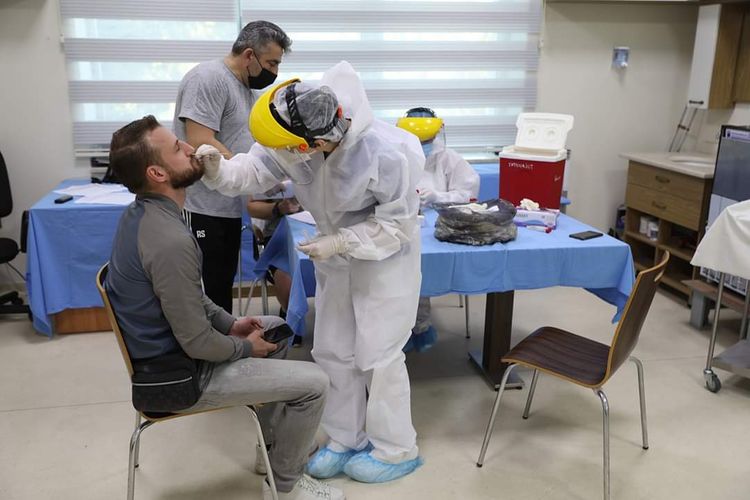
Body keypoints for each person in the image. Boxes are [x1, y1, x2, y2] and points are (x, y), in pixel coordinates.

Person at [197, 62, 426, 483]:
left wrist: (340, 241)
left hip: (385, 262)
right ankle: (345, 438)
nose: (283, 156)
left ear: (315, 143)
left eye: (291, 151)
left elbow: (398, 226)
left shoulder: (390, 152)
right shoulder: (295, 127)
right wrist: (220, 171)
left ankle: (396, 449)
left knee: (378, 355)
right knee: (334, 350)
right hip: (335, 262)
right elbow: (257, 167)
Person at [104, 116, 344, 500]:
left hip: (173, 356)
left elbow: (188, 298)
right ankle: (286, 486)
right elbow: (198, 342)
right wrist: (245, 347)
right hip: (179, 378)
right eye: (177, 148)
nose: (190, 148)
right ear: (157, 173)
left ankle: (272, 450)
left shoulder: (144, 215)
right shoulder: (168, 240)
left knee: (272, 327)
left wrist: (231, 324)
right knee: (315, 384)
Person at [173, 20, 291, 314]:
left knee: (222, 286)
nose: (275, 72)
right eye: (272, 63)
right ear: (249, 55)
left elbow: (248, 146)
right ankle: (209, 344)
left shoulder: (247, 91)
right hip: (200, 206)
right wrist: (248, 173)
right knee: (208, 290)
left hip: (226, 204)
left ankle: (224, 341)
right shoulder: (208, 79)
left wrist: (270, 173)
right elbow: (201, 142)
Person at [396, 107, 480, 353]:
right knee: (402, 270)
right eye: (418, 140)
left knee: (423, 269)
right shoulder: (394, 154)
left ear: (436, 134)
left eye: (426, 141)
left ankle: (420, 327)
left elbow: (468, 193)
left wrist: (438, 197)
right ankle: (401, 329)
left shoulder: (449, 159)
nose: (422, 146)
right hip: (402, 223)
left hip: (440, 227)